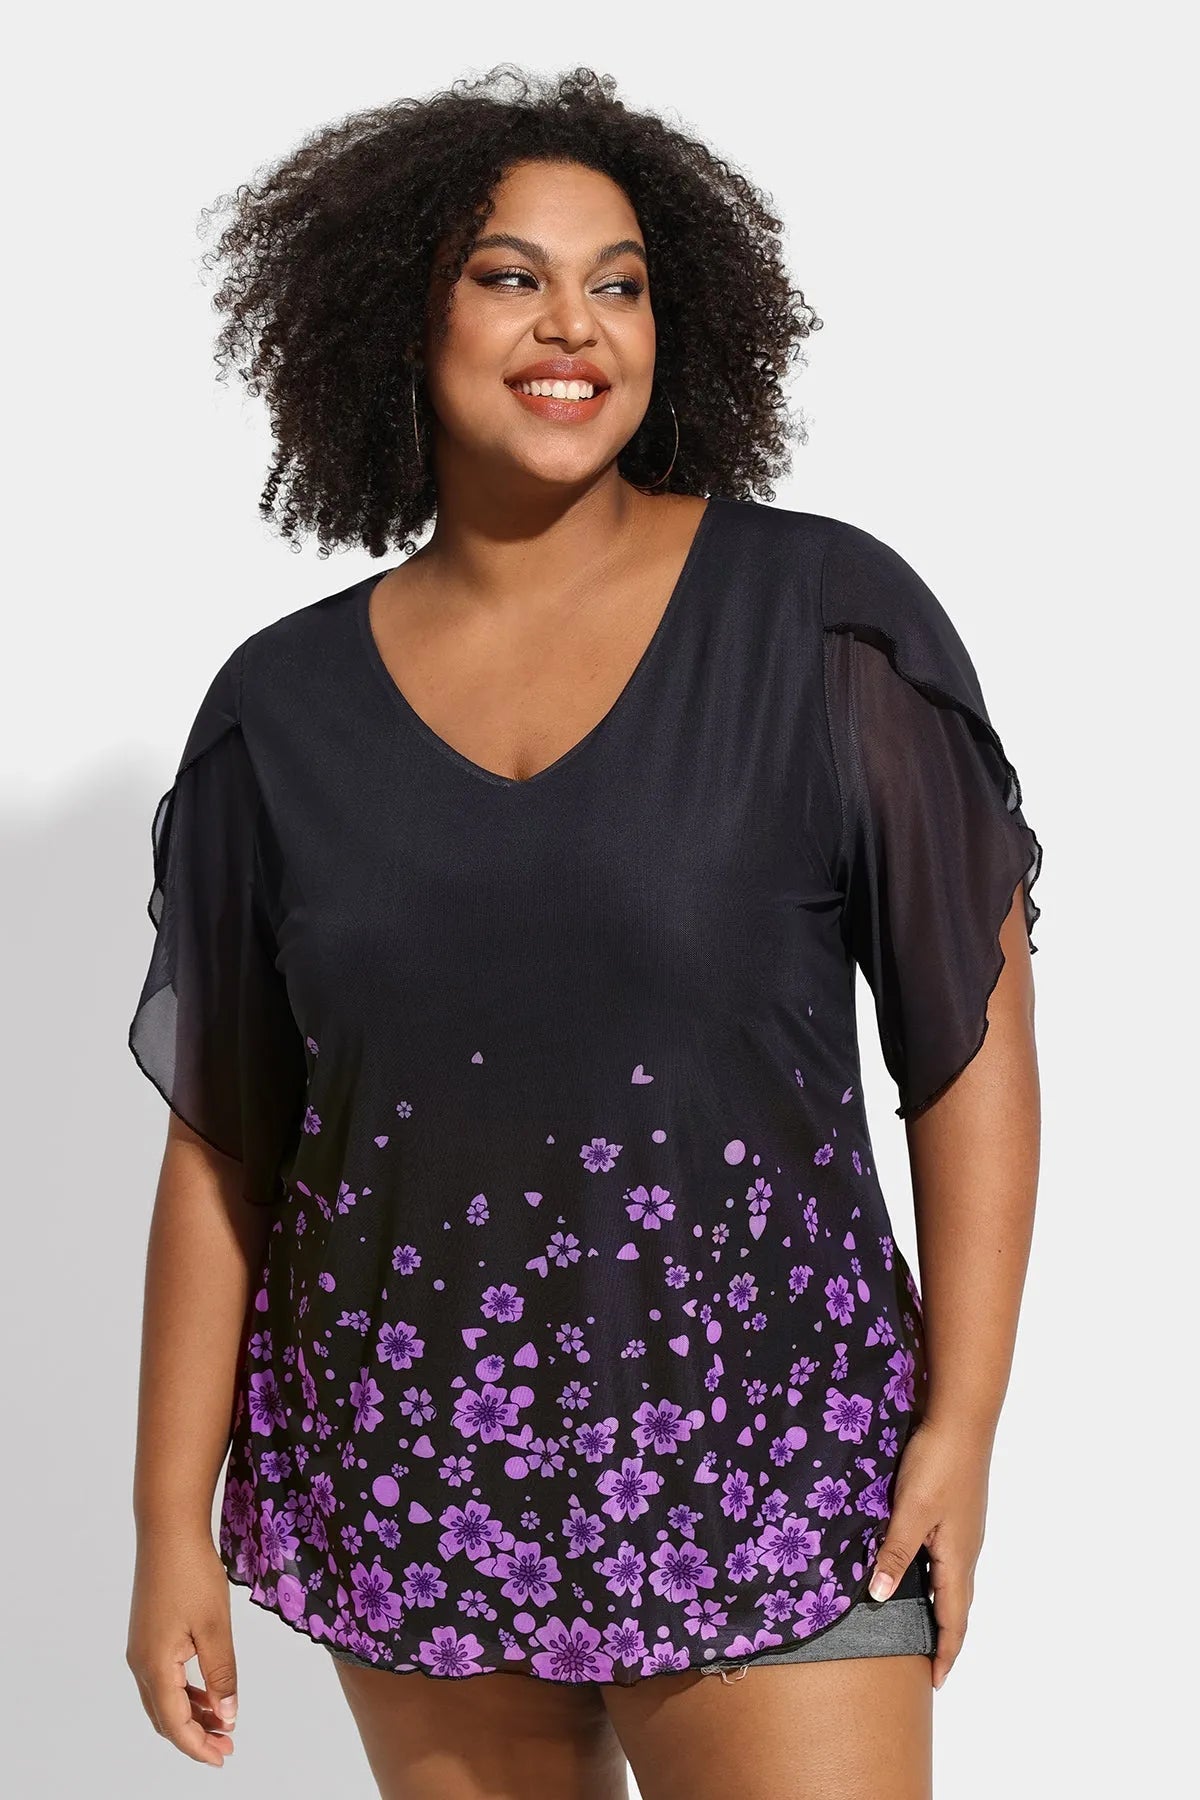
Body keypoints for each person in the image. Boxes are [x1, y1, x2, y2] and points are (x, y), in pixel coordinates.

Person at [124, 65, 1042, 1800]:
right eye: (509, 276)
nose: (574, 324)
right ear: (401, 318)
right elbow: (225, 1145)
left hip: (780, 1465)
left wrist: (965, 1421)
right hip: (412, 1478)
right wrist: (169, 1522)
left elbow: (970, 1042)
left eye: (618, 281)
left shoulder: (818, 620)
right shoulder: (278, 711)